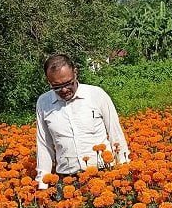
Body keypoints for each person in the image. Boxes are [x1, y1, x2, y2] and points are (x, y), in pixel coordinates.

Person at [35, 54, 130, 190]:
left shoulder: (97, 95)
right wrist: (42, 186)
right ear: (48, 81)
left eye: (68, 83)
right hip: (67, 179)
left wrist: (124, 171)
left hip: (103, 173)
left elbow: (116, 134)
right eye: (56, 86)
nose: (64, 90)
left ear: (75, 73)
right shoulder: (43, 103)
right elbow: (44, 145)